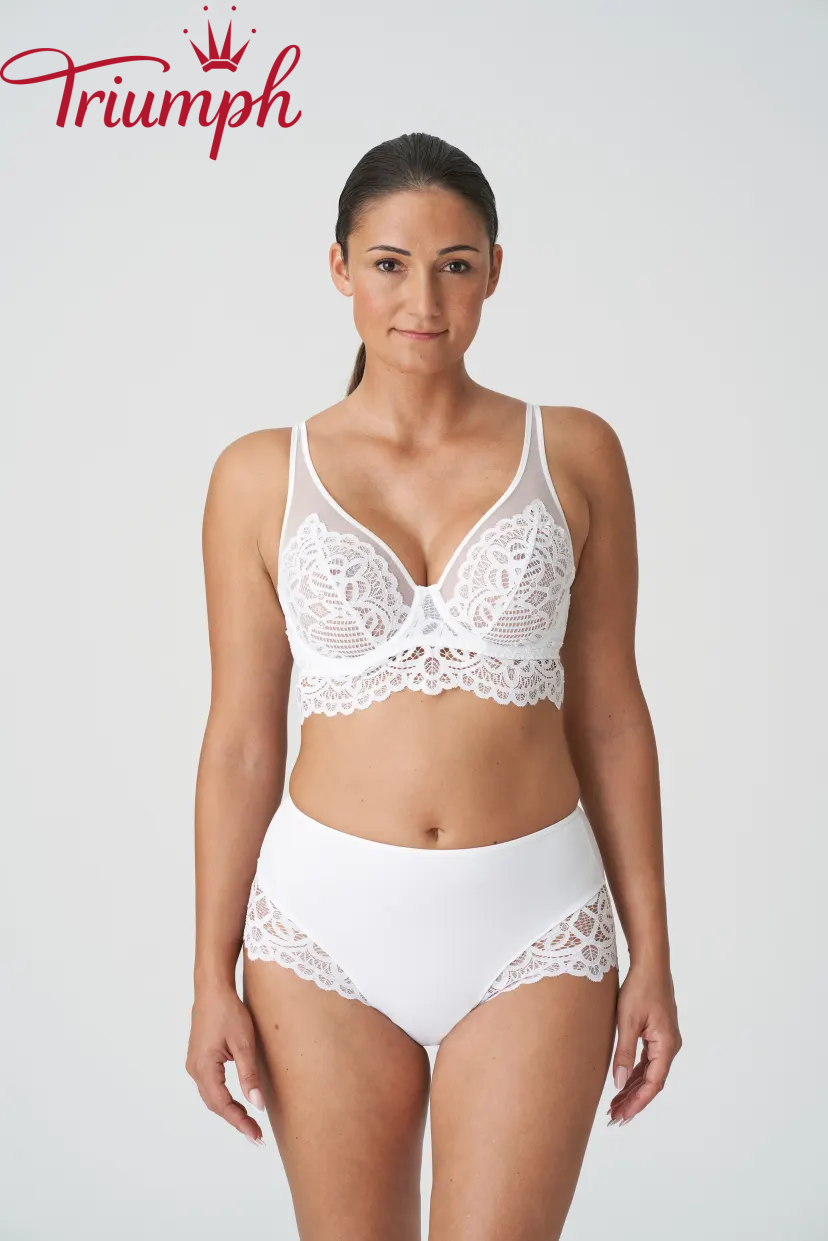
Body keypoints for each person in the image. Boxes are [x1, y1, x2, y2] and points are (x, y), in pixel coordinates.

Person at [186, 131, 682, 1241]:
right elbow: (241, 742)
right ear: (340, 268)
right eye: (390, 264)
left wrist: (653, 951)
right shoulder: (259, 473)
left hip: (537, 925)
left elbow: (611, 715)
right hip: (319, 931)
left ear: (495, 271)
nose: (424, 300)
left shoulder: (576, 452)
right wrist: (210, 975)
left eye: (456, 265)